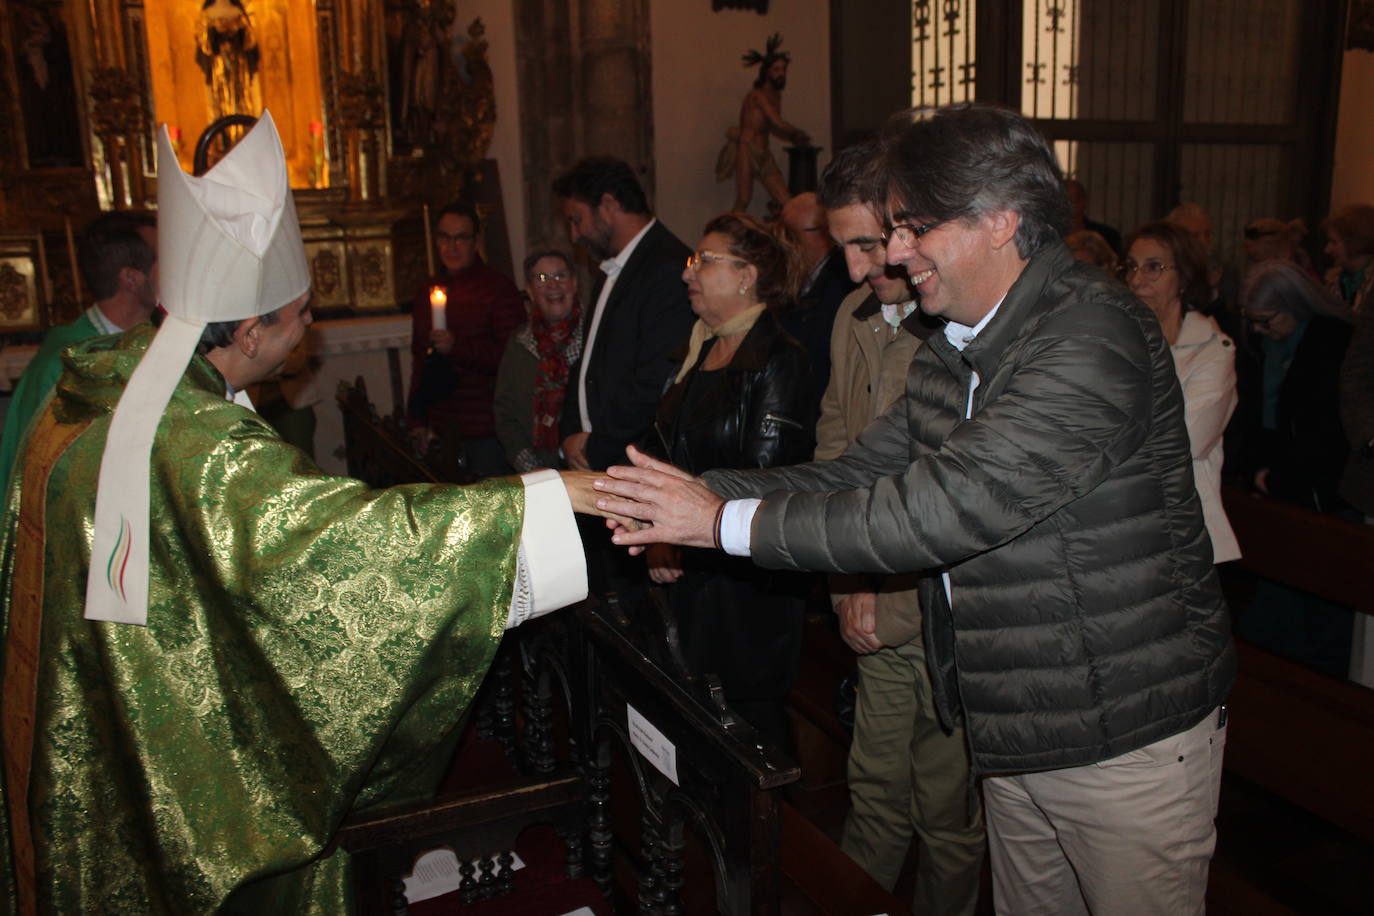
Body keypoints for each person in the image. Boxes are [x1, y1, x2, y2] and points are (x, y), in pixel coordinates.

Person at [596, 103, 1235, 916]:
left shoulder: (1090, 335)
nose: (894, 253)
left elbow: (936, 511)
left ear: (1000, 220)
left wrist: (716, 523)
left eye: (914, 227)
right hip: (1016, 719)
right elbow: (857, 471)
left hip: (1124, 731)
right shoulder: (956, 346)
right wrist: (701, 494)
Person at [0, 113, 606, 911]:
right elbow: (339, 552)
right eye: (300, 313)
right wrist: (541, 502)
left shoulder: (105, 382)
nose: (311, 325)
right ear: (250, 332)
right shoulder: (204, 447)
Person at [813, 139, 983, 914]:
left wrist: (891, 605)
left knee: (946, 815)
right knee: (874, 790)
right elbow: (834, 456)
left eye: (866, 245)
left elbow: (953, 493)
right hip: (869, 594)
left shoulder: (955, 325)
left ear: (906, 227)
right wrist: (848, 588)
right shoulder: (852, 317)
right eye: (842, 249)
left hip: (940, 610)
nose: (855, 269)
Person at [641, 212, 812, 749]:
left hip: (746, 589)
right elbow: (665, 454)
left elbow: (766, 482)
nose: (687, 272)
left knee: (751, 733)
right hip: (692, 573)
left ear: (747, 275)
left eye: (703, 260)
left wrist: (676, 536)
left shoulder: (779, 360)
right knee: (696, 729)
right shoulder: (698, 350)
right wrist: (656, 530)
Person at [0, 211, 157, 493]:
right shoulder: (65, 365)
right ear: (132, 279)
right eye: (166, 261)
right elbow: (49, 478)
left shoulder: (158, 340)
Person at [554, 156, 693, 472]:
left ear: (608, 205)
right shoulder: (612, 269)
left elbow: (654, 379)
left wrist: (595, 447)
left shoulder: (669, 267)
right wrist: (570, 438)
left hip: (634, 462)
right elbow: (587, 365)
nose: (575, 235)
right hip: (598, 458)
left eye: (577, 219)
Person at [1123, 221, 1240, 562]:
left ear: (1185, 276)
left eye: (1154, 267)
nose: (1137, 279)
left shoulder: (1213, 350)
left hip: (1177, 528)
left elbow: (1185, 441)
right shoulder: (1117, 340)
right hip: (1119, 520)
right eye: (1131, 266)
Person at [407, 201, 525, 477]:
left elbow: (513, 360)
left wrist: (457, 347)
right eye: (445, 237)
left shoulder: (498, 289)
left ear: (476, 241)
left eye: (461, 238)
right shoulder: (427, 292)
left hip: (486, 430)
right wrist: (417, 420)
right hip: (441, 427)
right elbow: (419, 362)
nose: (452, 247)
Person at [1237, 258, 1354, 513]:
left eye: (1264, 320)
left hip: (1319, 485)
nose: (1256, 329)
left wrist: (1279, 481)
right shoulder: (1264, 346)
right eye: (1251, 319)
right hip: (1270, 474)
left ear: (1294, 306)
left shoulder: (1332, 343)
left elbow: (1325, 430)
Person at [494, 247, 583, 472]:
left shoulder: (597, 336)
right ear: (530, 291)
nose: (552, 285)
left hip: (590, 466)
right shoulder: (519, 344)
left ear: (574, 284)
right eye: (541, 278)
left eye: (560, 276)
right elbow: (505, 414)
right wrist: (533, 470)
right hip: (536, 471)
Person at [779, 190, 859, 418]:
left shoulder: (843, 283)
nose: (783, 243)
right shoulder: (794, 280)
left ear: (822, 234)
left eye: (790, 234)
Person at [716, 33, 810, 213]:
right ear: (767, 72)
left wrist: (793, 136)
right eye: (776, 70)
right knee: (744, 198)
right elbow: (778, 122)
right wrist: (796, 132)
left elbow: (773, 126)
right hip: (748, 148)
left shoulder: (775, 95)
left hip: (763, 153)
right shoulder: (757, 96)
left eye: (783, 70)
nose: (781, 74)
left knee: (786, 200)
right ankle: (728, 228)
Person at [1323, 203, 1374, 313]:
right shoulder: (1335, 281)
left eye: (1334, 242)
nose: (1327, 250)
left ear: (1356, 244)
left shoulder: (1370, 287)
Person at [1064, 178, 1122, 256]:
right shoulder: (1050, 236)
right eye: (1066, 199)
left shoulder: (1108, 235)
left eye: (1076, 198)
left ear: (1084, 201)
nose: (1072, 203)